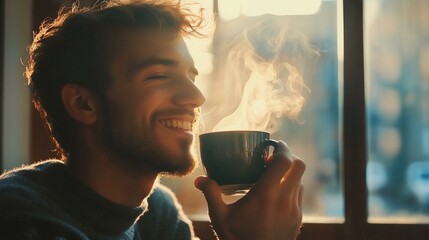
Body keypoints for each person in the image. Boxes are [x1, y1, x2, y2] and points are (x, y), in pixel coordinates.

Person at [0, 0, 306, 239]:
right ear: (83, 103)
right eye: (159, 75)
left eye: (190, 75)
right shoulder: (20, 218)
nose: (196, 97)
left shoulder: (159, 213)